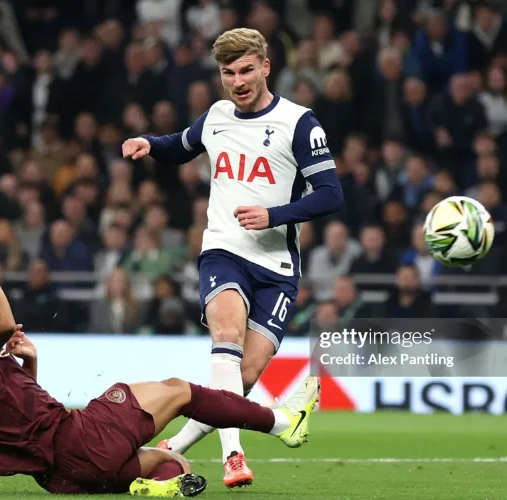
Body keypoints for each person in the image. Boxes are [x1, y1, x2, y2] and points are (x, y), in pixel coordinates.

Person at [0, 225, 320, 497]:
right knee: (179, 390)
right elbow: (2, 323)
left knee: (177, 466)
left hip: (63, 476)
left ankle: (142, 487)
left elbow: (14, 416)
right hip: (77, 442)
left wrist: (30, 368)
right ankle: (282, 422)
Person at [122, 27, 343, 488]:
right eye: (228, 73)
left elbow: (331, 195)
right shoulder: (218, 116)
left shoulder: (300, 123)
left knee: (240, 378)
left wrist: (274, 215)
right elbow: (180, 146)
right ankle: (234, 457)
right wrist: (149, 144)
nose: (238, 81)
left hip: (277, 268)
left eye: (246, 70)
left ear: (265, 67)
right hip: (223, 250)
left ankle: (172, 448)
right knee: (226, 336)